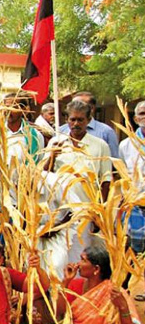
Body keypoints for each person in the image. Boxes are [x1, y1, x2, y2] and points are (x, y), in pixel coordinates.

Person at [45, 98, 112, 264]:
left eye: (80, 119)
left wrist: (99, 212)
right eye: (72, 119)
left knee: (81, 256)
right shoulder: (56, 142)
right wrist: (53, 156)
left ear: (88, 120)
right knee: (58, 256)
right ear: (67, 120)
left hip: (86, 211)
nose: (76, 123)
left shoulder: (100, 145)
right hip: (60, 212)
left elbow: (105, 180)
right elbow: (44, 174)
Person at [0, 93, 44, 242]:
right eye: (5, 105)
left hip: (21, 197)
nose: (8, 110)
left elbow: (39, 166)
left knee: (17, 241)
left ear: (24, 110)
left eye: (13, 106)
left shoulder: (34, 136)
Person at [119, 101, 145, 279]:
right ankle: (126, 289)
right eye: (143, 114)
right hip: (134, 206)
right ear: (136, 118)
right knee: (130, 250)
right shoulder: (126, 145)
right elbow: (121, 176)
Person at [57, 91, 120, 158]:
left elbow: (114, 161)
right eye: (73, 104)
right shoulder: (60, 131)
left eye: (80, 105)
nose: (76, 107)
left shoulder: (106, 132)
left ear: (92, 108)